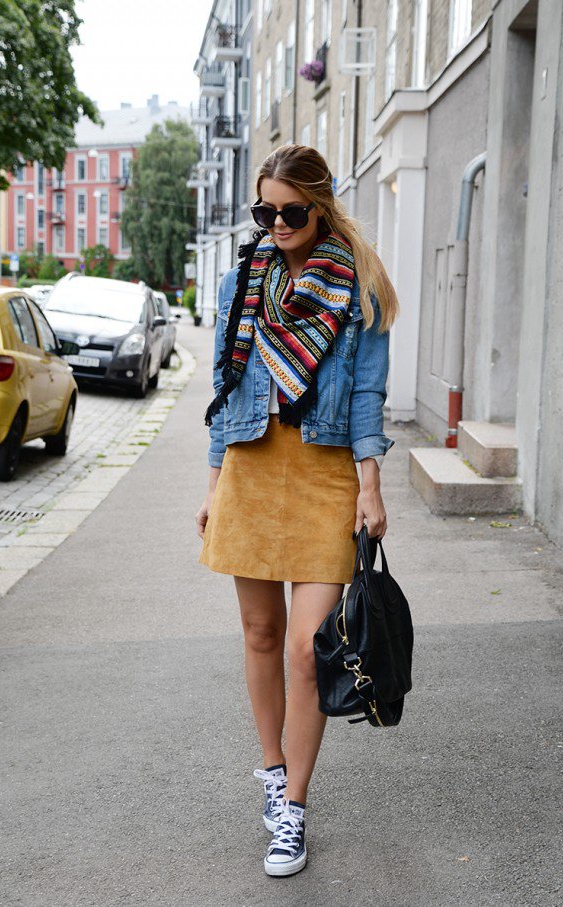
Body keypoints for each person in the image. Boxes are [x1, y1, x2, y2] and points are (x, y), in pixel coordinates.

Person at [195, 144, 399, 877]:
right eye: (263, 211)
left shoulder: (360, 285)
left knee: (309, 648)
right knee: (259, 631)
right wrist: (215, 482)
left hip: (324, 472)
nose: (275, 223)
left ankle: (295, 810)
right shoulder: (239, 281)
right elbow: (223, 385)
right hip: (251, 462)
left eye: (289, 211)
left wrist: (370, 483)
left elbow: (369, 392)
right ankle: (273, 772)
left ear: (320, 204)